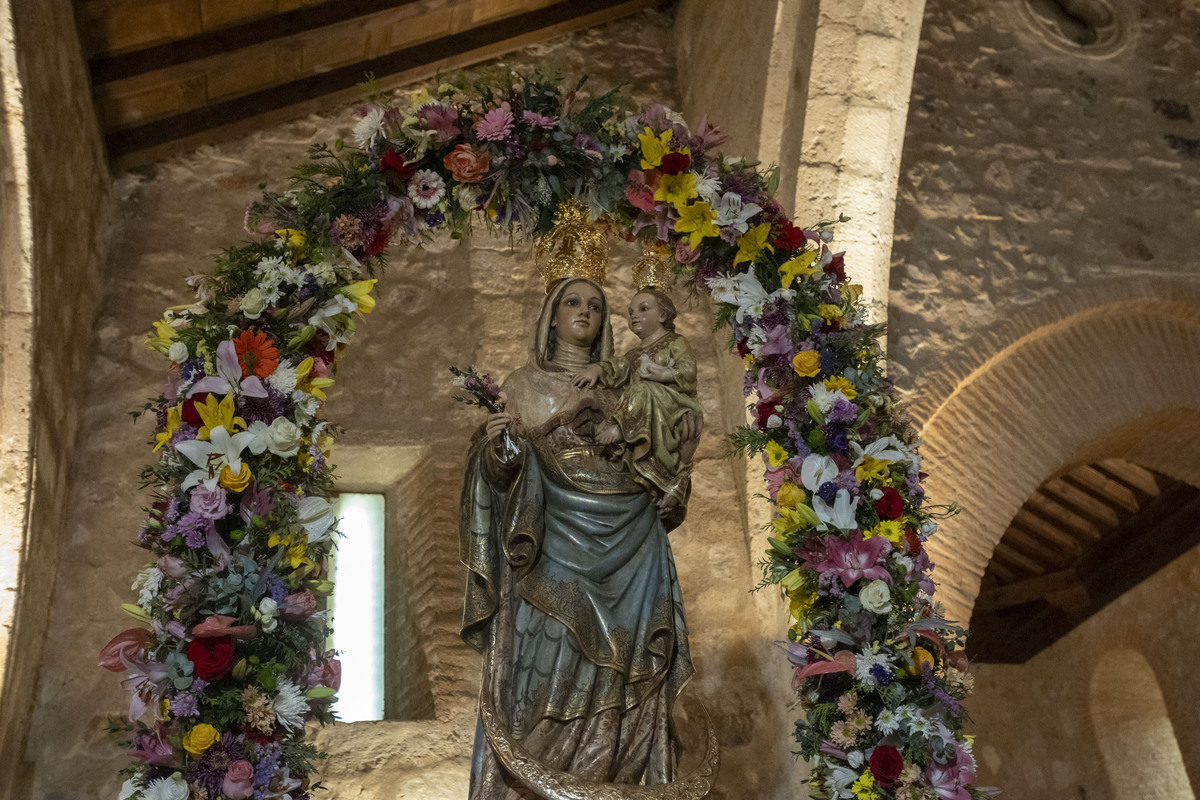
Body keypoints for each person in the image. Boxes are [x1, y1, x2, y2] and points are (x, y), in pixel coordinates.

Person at [460, 274, 701, 798]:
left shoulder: (629, 385)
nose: (585, 312)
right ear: (551, 315)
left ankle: (614, 779)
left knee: (628, 672)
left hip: (633, 540)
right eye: (572, 302)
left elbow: (664, 458)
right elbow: (500, 478)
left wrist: (676, 478)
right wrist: (499, 451)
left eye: (596, 305)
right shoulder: (521, 386)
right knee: (548, 665)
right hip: (552, 543)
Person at [570, 288, 702, 521]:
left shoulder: (675, 342)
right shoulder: (634, 355)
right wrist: (596, 368)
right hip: (650, 415)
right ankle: (667, 477)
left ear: (663, 314)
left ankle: (621, 428)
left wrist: (663, 373)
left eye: (643, 309)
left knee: (640, 389)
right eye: (630, 312)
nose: (634, 316)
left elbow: (689, 371)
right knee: (638, 393)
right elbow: (617, 368)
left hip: (677, 407)